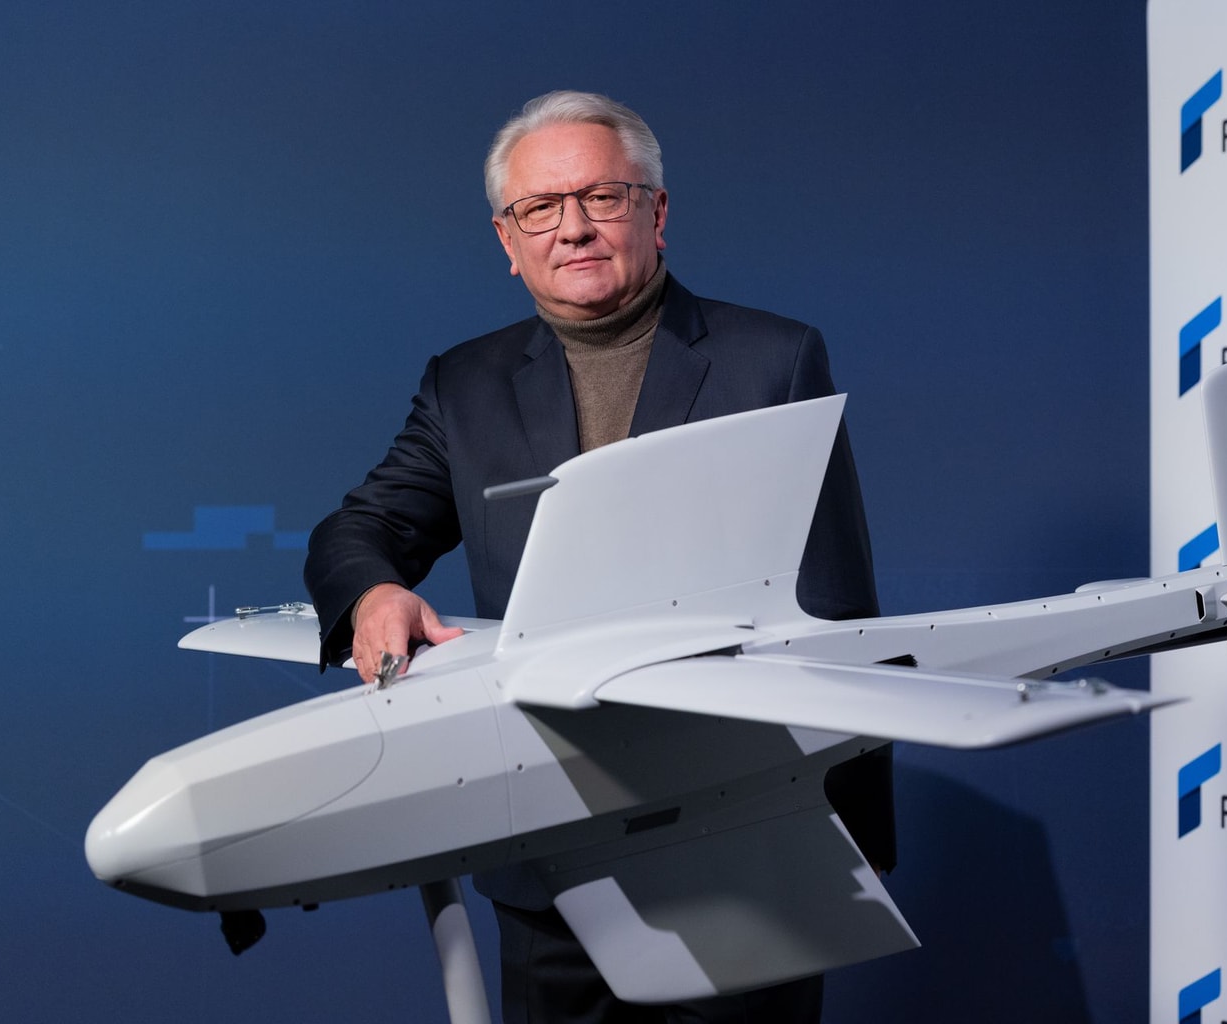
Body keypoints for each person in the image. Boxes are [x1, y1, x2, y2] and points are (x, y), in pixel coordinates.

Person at [304, 90, 892, 1024]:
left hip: (741, 847)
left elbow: (836, 603)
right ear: (508, 240)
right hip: (550, 849)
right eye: (540, 207)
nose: (572, 228)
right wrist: (375, 592)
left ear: (656, 212)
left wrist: (843, 835)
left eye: (602, 197)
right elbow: (359, 528)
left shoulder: (772, 360)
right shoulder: (465, 384)